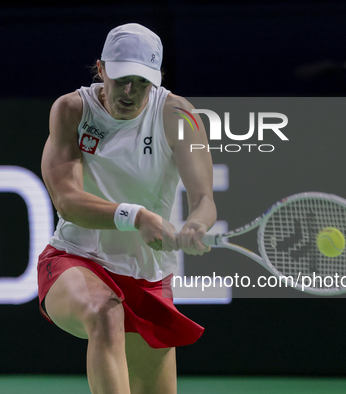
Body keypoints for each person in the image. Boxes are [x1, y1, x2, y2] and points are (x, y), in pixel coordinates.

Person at [37, 23, 216, 394]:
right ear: (101, 69)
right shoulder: (71, 110)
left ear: (157, 79)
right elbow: (67, 201)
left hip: (149, 278)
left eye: (142, 81)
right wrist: (138, 217)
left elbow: (204, 200)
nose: (130, 92)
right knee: (105, 312)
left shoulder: (180, 116)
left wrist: (196, 226)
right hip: (77, 259)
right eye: (121, 79)